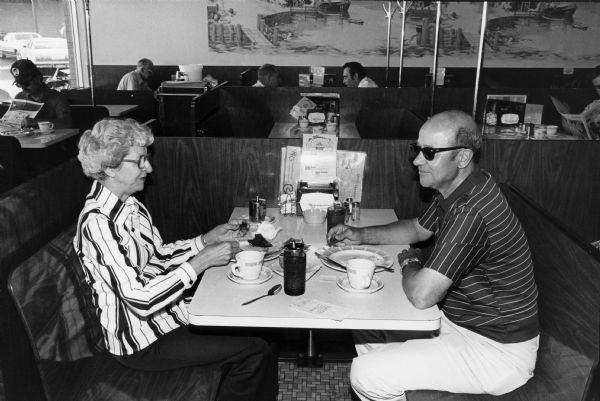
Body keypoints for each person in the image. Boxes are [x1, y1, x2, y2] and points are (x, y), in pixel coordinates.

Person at [328, 110, 539, 401]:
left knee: (366, 373)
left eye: (429, 152)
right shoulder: (462, 187)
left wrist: (411, 263)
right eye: (417, 149)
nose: (416, 160)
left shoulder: (471, 210)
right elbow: (417, 229)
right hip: (461, 323)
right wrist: (359, 234)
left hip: (496, 349)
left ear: (463, 157)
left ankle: (389, 379)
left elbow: (422, 296)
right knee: (366, 324)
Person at [73, 118, 278, 401]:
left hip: (168, 317)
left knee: (255, 323)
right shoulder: (98, 224)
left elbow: (158, 256)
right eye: (141, 160)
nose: (150, 167)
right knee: (255, 351)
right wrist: (200, 262)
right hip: (142, 343)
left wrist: (205, 240)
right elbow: (140, 300)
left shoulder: (130, 206)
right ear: (110, 167)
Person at [10, 59, 72, 129]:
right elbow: (12, 124)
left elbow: (66, 123)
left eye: (26, 83)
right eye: (19, 85)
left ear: (37, 79)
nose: (23, 88)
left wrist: (34, 122)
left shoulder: (57, 98)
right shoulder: (20, 97)